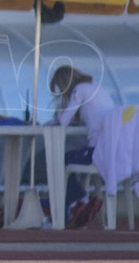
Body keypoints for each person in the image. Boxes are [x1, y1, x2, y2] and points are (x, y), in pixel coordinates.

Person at [49, 65, 116, 228]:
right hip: (111, 150)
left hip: (97, 151)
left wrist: (59, 113)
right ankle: (78, 202)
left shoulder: (80, 90)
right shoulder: (97, 88)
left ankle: (80, 200)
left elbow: (63, 121)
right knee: (71, 158)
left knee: (61, 160)